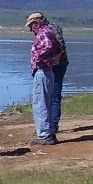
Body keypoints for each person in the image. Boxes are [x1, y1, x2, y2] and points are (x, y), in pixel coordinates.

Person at [26, 12, 68, 145]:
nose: (30, 29)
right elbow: (59, 49)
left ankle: (44, 135)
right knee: (47, 102)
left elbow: (48, 46)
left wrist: (38, 57)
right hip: (48, 71)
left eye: (31, 26)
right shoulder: (50, 32)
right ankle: (50, 132)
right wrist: (52, 59)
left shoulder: (43, 33)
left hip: (42, 71)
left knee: (40, 103)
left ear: (37, 23)